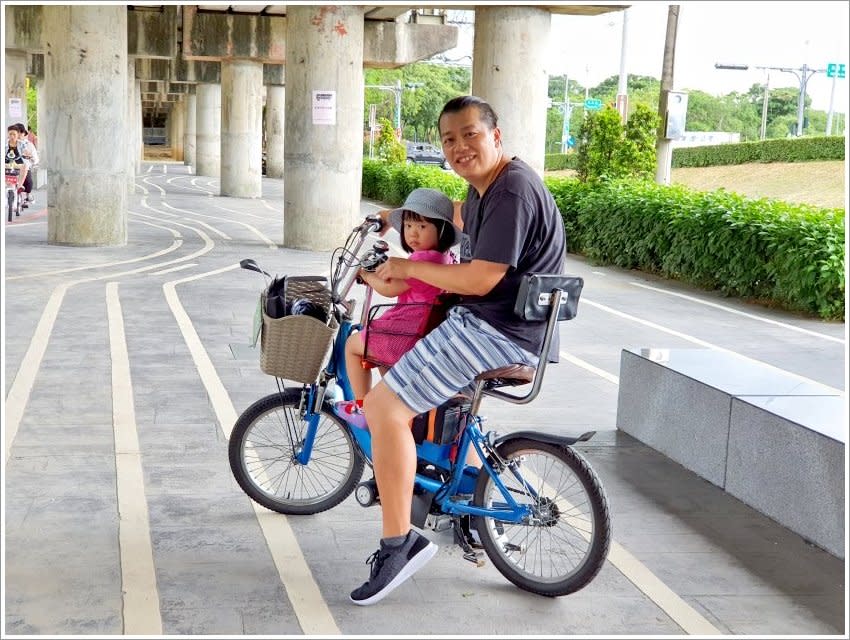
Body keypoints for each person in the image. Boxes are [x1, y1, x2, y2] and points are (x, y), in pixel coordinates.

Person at [348, 95, 567, 606]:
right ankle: (448, 490)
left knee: (383, 407)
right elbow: (457, 215)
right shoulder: (491, 188)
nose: (459, 146)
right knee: (412, 377)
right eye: (449, 139)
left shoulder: (511, 190)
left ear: (496, 135)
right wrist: (393, 216)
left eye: (470, 134)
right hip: (500, 324)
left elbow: (481, 276)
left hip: (497, 330)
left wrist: (408, 268)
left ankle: (398, 543)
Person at [335, 188, 460, 428]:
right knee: (385, 367)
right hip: (421, 329)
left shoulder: (422, 261)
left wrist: (366, 275)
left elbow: (391, 289)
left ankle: (361, 407)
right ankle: (398, 414)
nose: (413, 233)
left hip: (407, 329)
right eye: (409, 226)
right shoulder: (444, 258)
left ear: (442, 230)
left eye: (422, 227)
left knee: (353, 346)